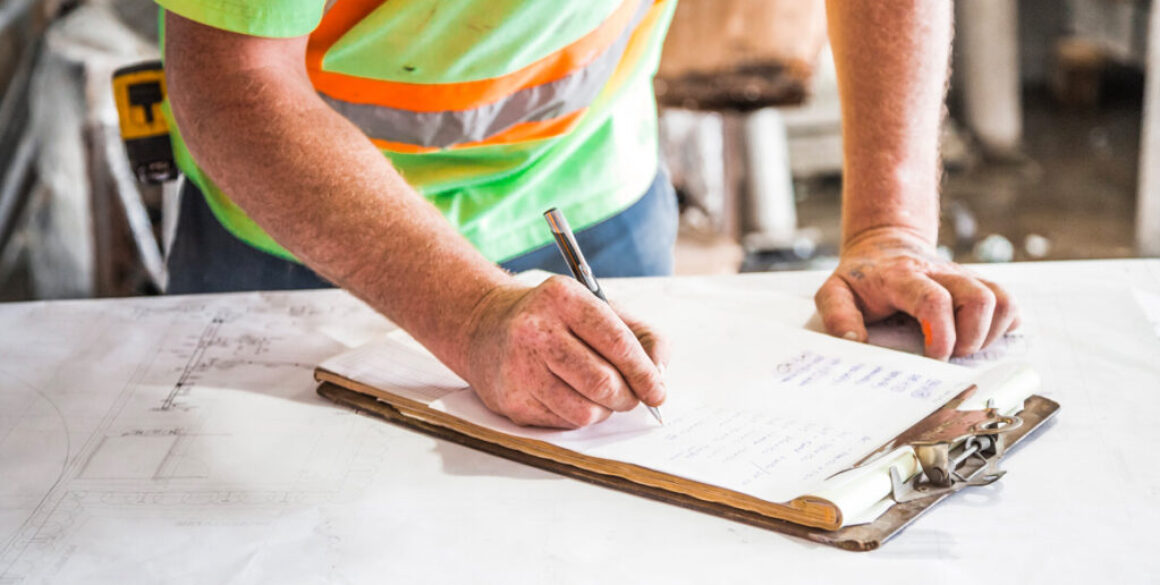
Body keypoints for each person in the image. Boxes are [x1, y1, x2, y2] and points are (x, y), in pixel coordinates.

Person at [159, 0, 1018, 429]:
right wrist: (467, 311)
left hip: (593, 196)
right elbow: (233, 78)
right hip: (308, 238)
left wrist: (889, 230)